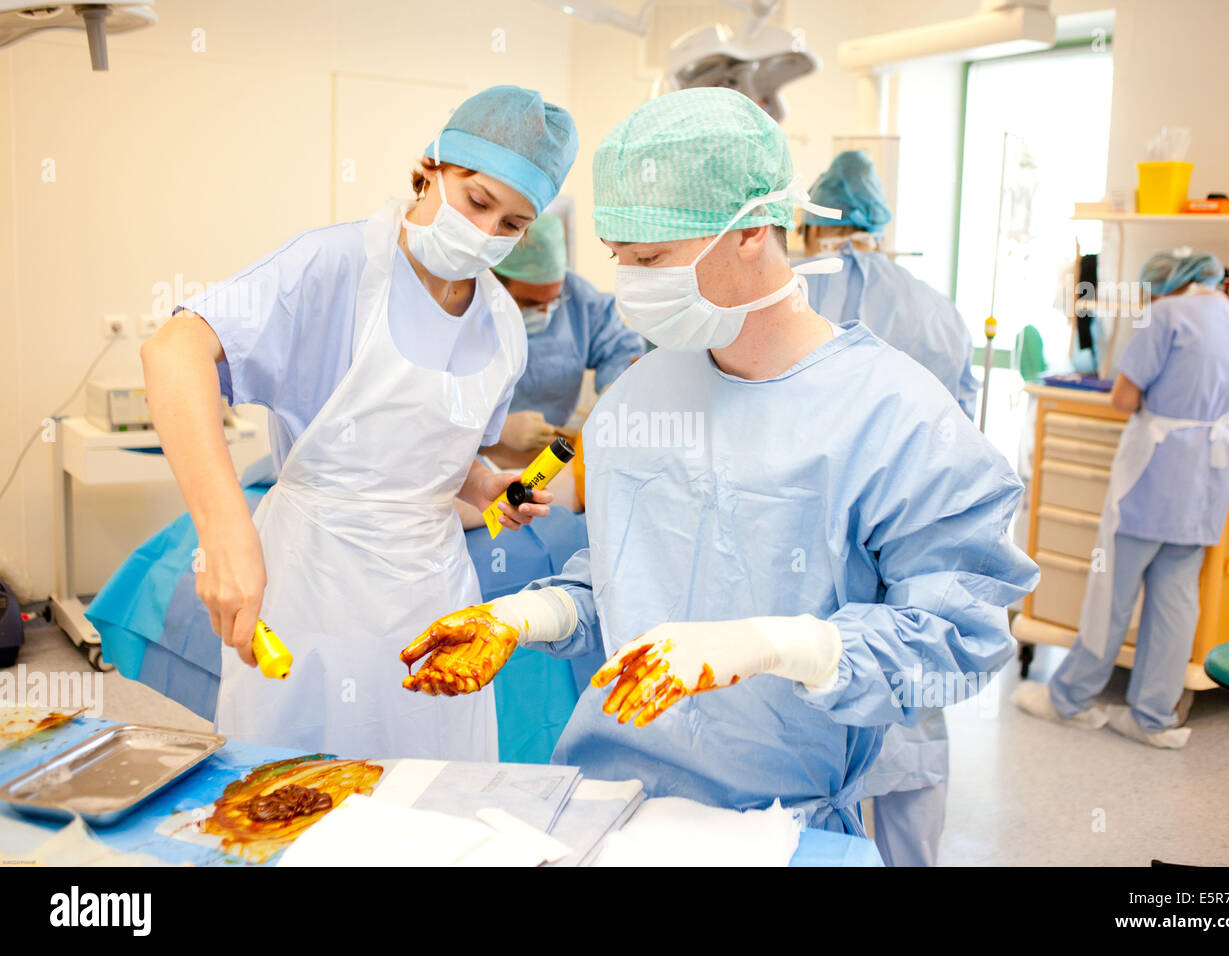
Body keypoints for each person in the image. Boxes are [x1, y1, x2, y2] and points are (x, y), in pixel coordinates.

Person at [402, 87, 1039, 836]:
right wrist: (526, 615)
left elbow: (959, 635)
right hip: (611, 808)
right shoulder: (641, 397)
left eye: (651, 259)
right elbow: (623, 579)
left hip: (778, 824)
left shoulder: (893, 415)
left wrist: (778, 646)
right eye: (619, 258)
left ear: (750, 233)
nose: (630, 283)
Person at [140, 85, 579, 759]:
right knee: (294, 794)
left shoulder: (501, 325)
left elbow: (426, 449)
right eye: (477, 201)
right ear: (431, 167)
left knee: (432, 800)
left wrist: (483, 486)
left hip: (431, 594)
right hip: (313, 582)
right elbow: (174, 351)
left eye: (512, 224)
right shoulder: (334, 265)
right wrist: (225, 531)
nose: (487, 233)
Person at [1015, 250, 1229, 748]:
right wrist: (1226, 405)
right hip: (1207, 481)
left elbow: (1123, 398)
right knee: (1176, 601)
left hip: (1153, 473)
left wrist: (1173, 400)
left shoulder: (1165, 315)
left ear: (1165, 285)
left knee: (1111, 594)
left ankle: (1070, 700)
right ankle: (1153, 717)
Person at [799, 149, 978, 865]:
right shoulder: (936, 308)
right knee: (913, 705)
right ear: (879, 221)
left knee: (816, 709)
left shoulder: (793, 295)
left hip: (812, 536)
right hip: (921, 534)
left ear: (809, 226)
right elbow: (963, 431)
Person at [801, 149, 979, 419]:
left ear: (814, 228)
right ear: (878, 231)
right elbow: (961, 417)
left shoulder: (787, 292)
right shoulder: (942, 311)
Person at [482, 212, 645, 472]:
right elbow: (429, 409)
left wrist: (613, 395)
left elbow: (621, 350)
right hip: (471, 466)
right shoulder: (464, 308)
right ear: (493, 280)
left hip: (552, 462)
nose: (546, 312)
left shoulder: (577, 297)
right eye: (532, 304)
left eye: (554, 300)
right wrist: (493, 430)